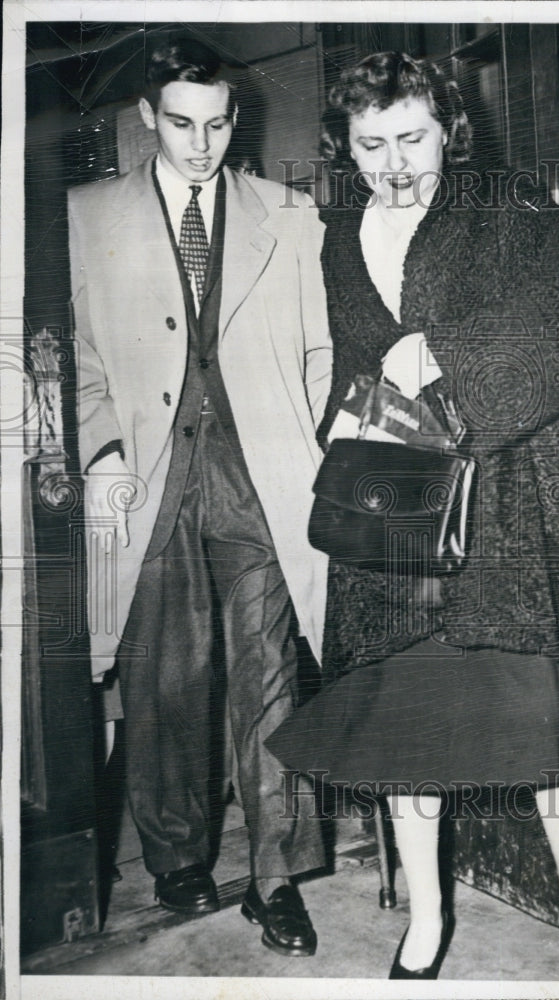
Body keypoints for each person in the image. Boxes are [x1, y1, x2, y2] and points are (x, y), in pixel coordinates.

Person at [267, 52, 559, 980]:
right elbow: (350, 361)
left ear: (449, 129)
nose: (393, 164)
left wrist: (439, 361)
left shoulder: (517, 206)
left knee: (547, 735)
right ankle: (425, 921)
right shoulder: (340, 228)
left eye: (413, 139)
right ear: (343, 147)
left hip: (514, 505)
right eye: (370, 144)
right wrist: (360, 403)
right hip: (395, 511)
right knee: (406, 728)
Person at [68, 36, 331, 956]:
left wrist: (304, 444)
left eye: (217, 125)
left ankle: (276, 878)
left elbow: (318, 353)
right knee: (165, 676)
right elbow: (76, 359)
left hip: (257, 475)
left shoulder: (289, 214)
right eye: (181, 124)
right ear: (147, 119)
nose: (201, 144)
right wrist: (99, 448)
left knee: (269, 682)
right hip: (146, 473)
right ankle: (176, 852)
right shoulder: (83, 216)